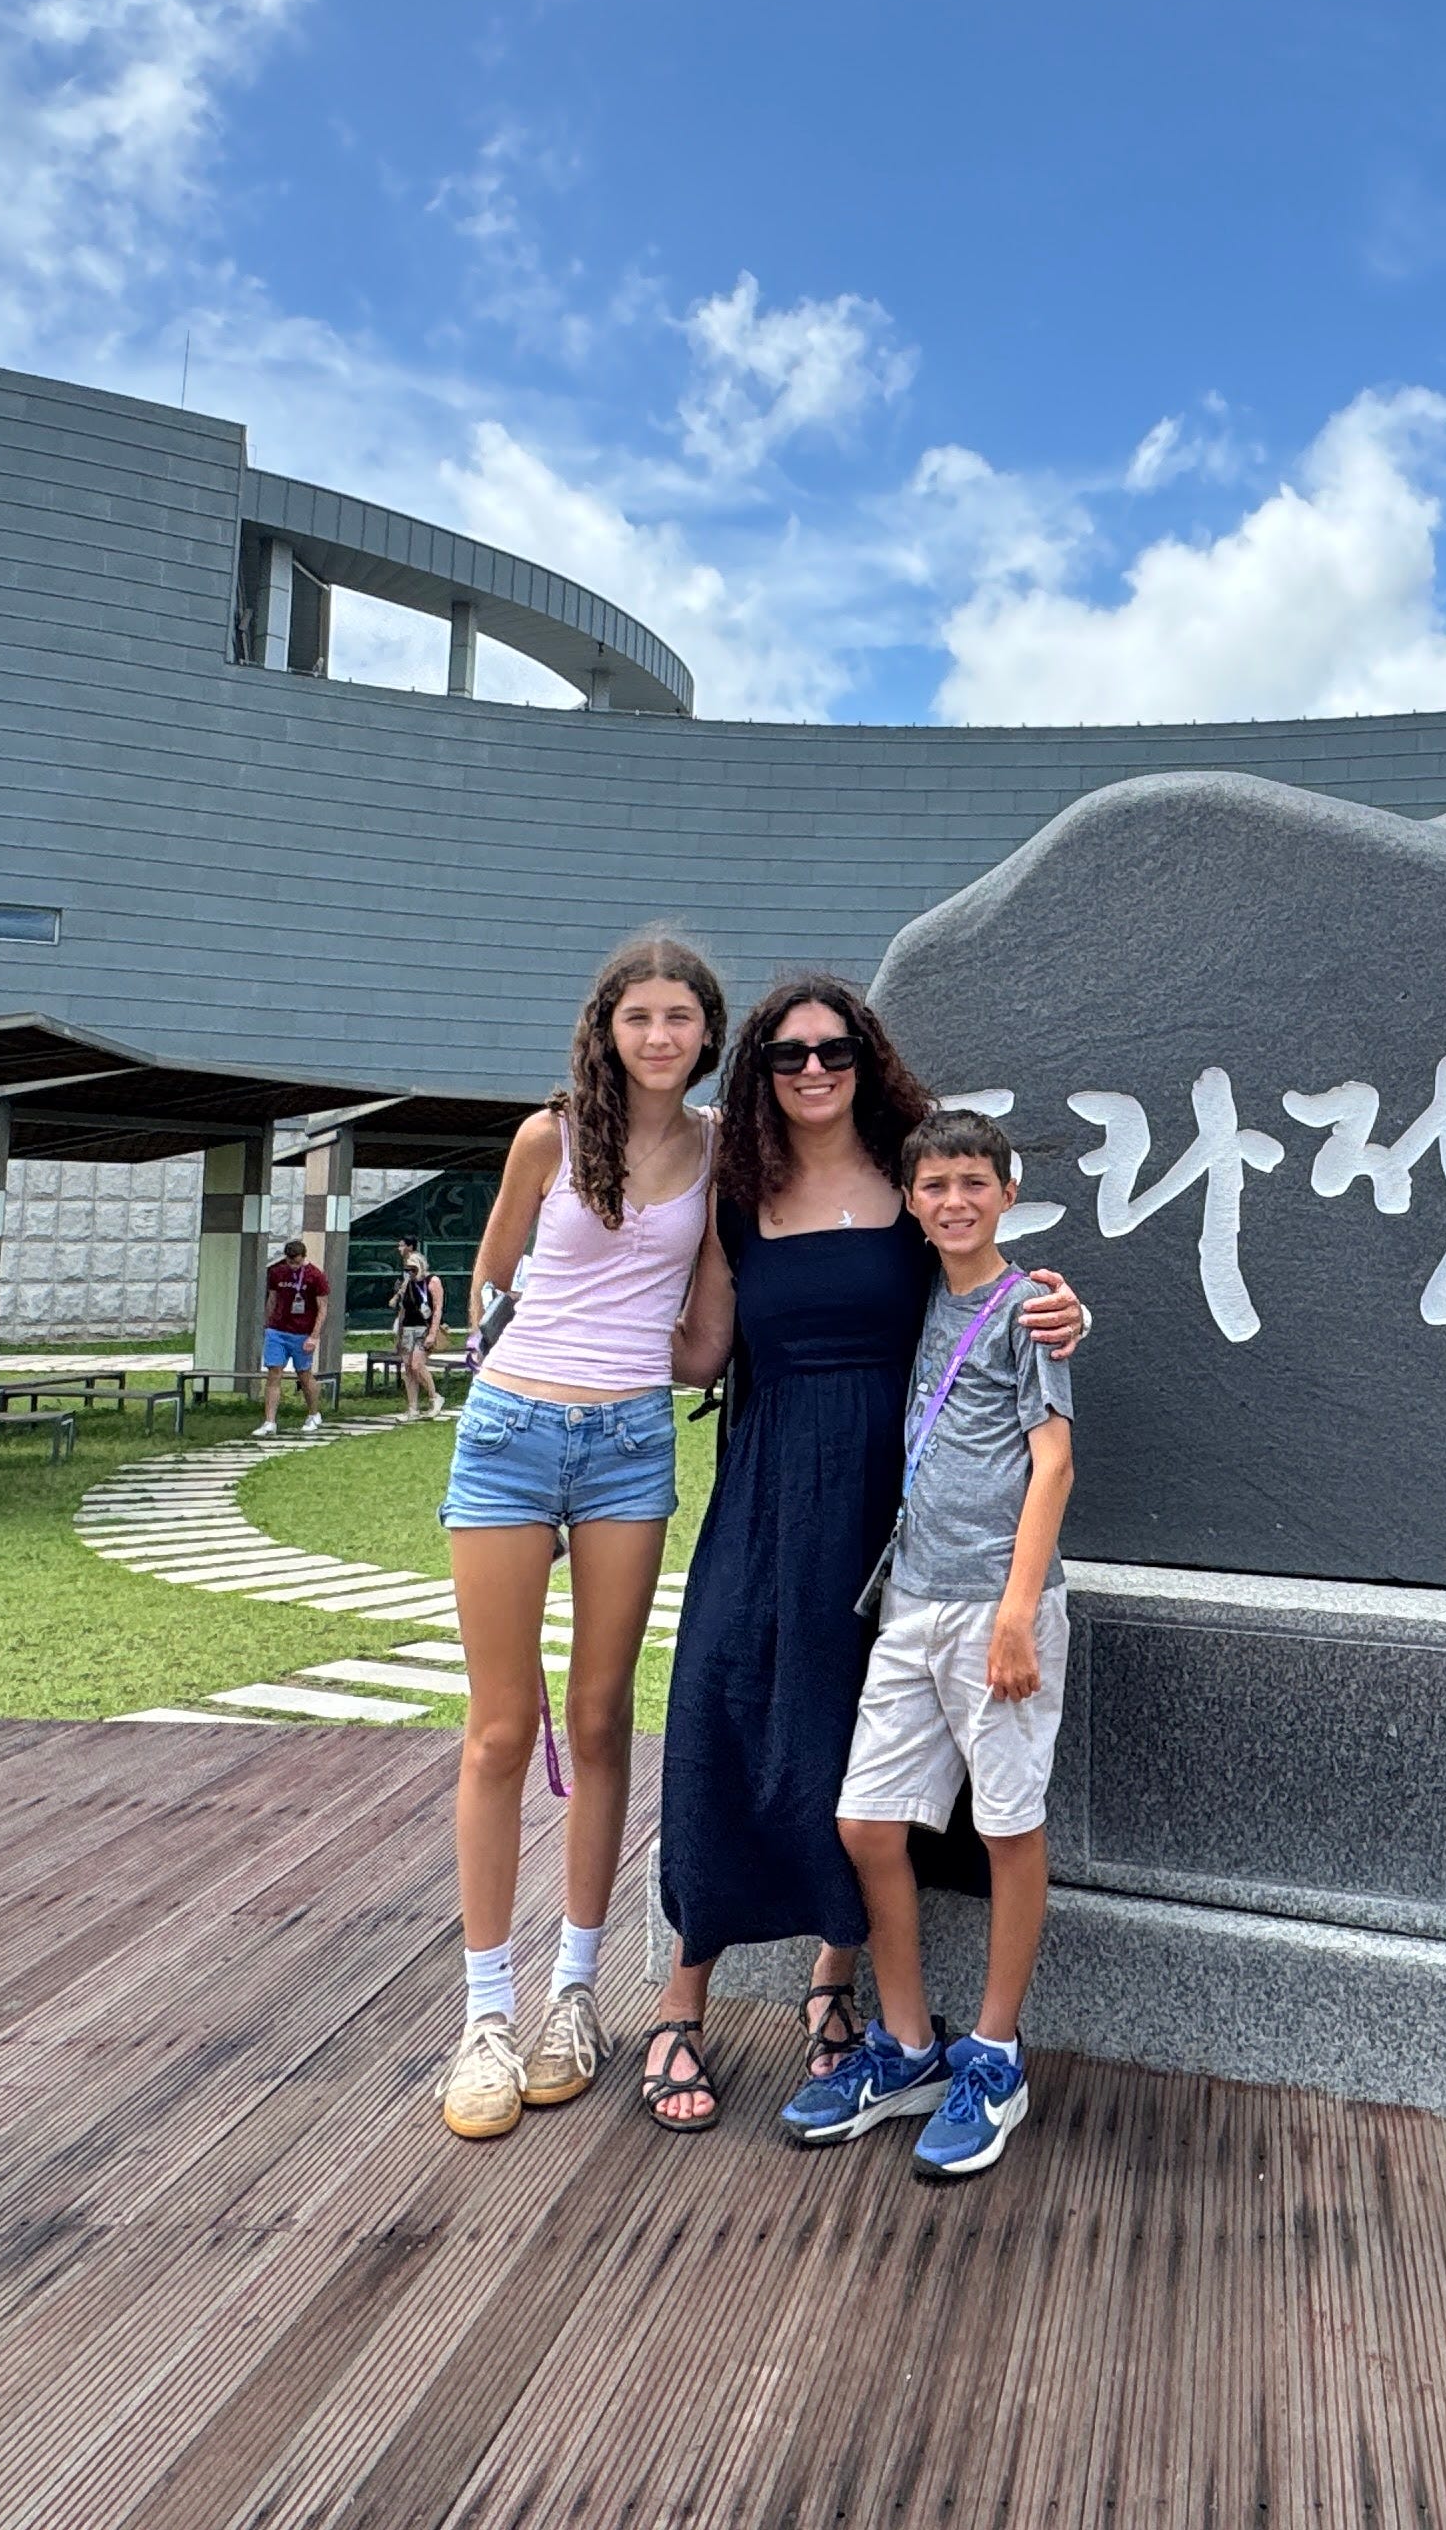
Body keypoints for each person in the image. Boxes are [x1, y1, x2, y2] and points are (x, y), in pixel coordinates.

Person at [634, 976, 1087, 2133]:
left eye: (833, 1049)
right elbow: (698, 1354)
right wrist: (575, 1303)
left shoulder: (909, 1184)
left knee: (849, 1745)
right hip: (768, 1486)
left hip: (896, 1512)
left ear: (865, 1056)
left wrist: (1060, 1308)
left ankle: (841, 1996)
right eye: (787, 1056)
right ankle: (683, 1998)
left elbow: (987, 1294)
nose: (813, 1070)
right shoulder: (736, 1194)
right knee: (721, 1705)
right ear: (759, 1074)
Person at [433, 934, 729, 2143]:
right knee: (503, 1728)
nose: (660, 1037)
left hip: (630, 1447)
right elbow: (498, 1269)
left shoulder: (721, 1155)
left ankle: (574, 1996)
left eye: (682, 1018)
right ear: (605, 1026)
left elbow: (706, 1339)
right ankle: (485, 2014)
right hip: (511, 1435)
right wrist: (536, 1355)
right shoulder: (548, 1138)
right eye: (639, 1016)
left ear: (710, 1032)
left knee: (602, 1718)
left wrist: (632, 1361)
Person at [784, 1107, 1074, 2180]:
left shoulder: (1028, 1309)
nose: (954, 1201)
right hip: (909, 1607)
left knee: (1008, 1829)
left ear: (1008, 1190)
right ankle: (908, 2047)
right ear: (911, 1200)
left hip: (999, 1613)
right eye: (935, 1185)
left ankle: (994, 2056)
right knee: (867, 1823)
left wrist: (1016, 1608)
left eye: (973, 1183)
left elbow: (1054, 1464)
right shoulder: (921, 1303)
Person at [252, 1237, 330, 1438]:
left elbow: (322, 1308)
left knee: (304, 1373)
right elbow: (272, 1298)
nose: (293, 1266)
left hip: (302, 1332)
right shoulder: (277, 1272)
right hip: (278, 1330)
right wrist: (267, 1323)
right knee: (274, 1372)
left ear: (304, 1257)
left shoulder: (315, 1276)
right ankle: (270, 1421)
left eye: (297, 1262)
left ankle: (313, 1413)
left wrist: (314, 1336)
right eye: (290, 1262)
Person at [389, 1241, 445, 1420]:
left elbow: (437, 1309)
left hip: (424, 1327)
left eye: (413, 1269)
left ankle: (434, 1396)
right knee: (408, 1367)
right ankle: (412, 1407)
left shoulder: (432, 1281)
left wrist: (433, 1333)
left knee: (417, 1364)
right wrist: (399, 1335)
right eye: (408, 1270)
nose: (410, 1273)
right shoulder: (408, 1284)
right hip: (408, 1327)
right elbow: (403, 1310)